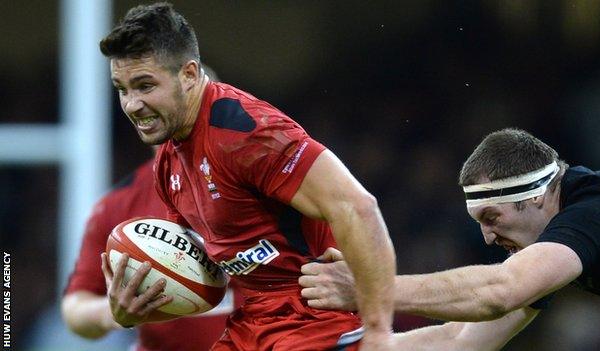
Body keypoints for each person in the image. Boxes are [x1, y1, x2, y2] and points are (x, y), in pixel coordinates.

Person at [98, 3, 396, 350]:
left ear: (190, 74)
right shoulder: (168, 162)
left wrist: (377, 330)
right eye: (122, 89)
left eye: (145, 86)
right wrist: (133, 309)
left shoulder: (247, 133)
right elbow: (204, 275)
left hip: (315, 320)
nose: (132, 104)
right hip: (252, 320)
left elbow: (358, 206)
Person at [299, 128, 600, 349]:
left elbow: (502, 290)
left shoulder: (597, 201)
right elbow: (460, 340)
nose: (487, 237)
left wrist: (367, 289)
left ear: (536, 194)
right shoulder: (552, 242)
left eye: (491, 217)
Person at [62, 146, 244, 351]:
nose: (139, 111)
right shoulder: (117, 205)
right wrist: (113, 312)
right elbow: (75, 309)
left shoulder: (252, 177)